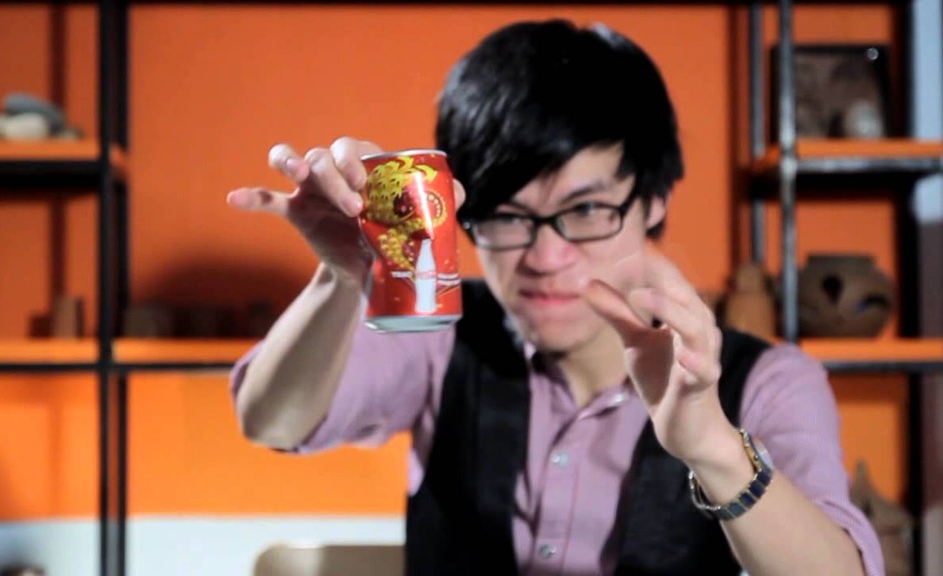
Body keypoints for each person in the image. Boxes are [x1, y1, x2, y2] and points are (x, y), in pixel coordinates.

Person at [225, 18, 884, 576]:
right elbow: (273, 421)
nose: (544, 257)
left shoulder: (770, 381)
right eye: (508, 217)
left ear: (654, 201)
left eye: (586, 209)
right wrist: (342, 278)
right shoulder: (442, 336)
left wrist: (713, 446)